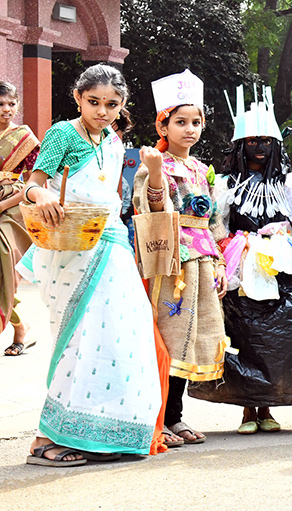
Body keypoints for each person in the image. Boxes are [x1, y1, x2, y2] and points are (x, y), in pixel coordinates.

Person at [21, 64, 163, 466]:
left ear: (122, 106)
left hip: (113, 245)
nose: (102, 111)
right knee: (80, 338)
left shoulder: (115, 142)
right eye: (94, 102)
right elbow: (32, 181)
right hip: (72, 250)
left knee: (121, 336)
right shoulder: (63, 133)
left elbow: (112, 200)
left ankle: (102, 432)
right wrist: (41, 195)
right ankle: (47, 440)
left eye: (111, 104)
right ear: (78, 98)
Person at [188, 84, 292, 434]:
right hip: (240, 263)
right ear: (240, 145)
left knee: (282, 336)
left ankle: (270, 406)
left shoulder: (290, 182)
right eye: (252, 141)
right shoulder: (224, 183)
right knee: (243, 336)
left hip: (280, 263)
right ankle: (249, 410)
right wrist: (223, 260)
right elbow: (217, 224)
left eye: (266, 141)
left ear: (275, 144)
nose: (260, 148)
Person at [131, 70, 227, 446]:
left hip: (202, 260)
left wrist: (219, 261)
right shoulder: (153, 164)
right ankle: (161, 418)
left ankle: (177, 416)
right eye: (180, 122)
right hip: (171, 262)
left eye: (196, 122)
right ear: (163, 125)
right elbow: (151, 208)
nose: (190, 129)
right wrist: (155, 173)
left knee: (194, 339)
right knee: (169, 338)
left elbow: (214, 220)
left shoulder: (202, 170)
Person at [0, 81, 36, 356]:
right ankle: (20, 325)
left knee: (3, 266)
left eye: (11, 104)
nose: (6, 110)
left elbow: (33, 184)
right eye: (0, 104)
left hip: (10, 208)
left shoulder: (24, 138)